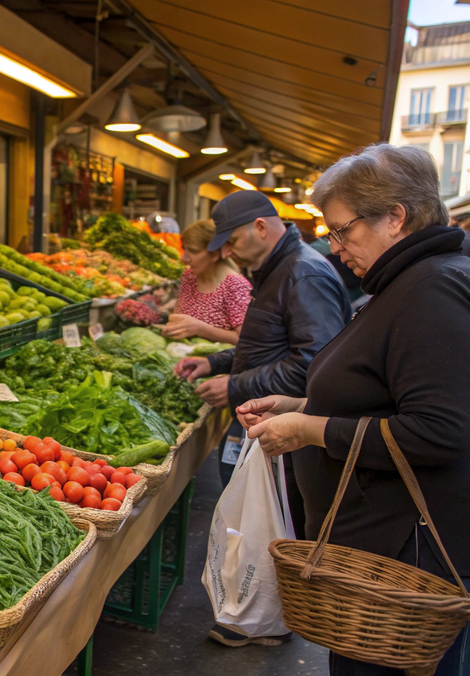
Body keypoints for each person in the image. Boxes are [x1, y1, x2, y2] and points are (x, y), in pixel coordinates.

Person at [240, 144, 470, 676]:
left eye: (343, 230)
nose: (337, 246)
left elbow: (441, 430)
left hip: (430, 558)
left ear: (395, 217)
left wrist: (310, 427)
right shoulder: (416, 282)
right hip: (399, 555)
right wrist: (303, 403)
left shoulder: (435, 290)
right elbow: (393, 397)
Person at [173, 190, 351, 649]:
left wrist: (236, 386)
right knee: (256, 516)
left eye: (231, 242)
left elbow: (315, 364)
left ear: (260, 227)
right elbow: (266, 342)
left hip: (287, 425)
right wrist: (216, 362)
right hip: (265, 418)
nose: (227, 254)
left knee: (273, 519)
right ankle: (256, 611)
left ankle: (268, 618)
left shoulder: (303, 273)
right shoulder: (279, 271)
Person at [157, 219, 252, 345]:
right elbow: (178, 321)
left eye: (193, 251)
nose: (184, 258)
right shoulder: (189, 278)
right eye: (184, 249)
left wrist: (200, 329)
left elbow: (247, 340)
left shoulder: (236, 286)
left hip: (220, 363)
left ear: (215, 254)